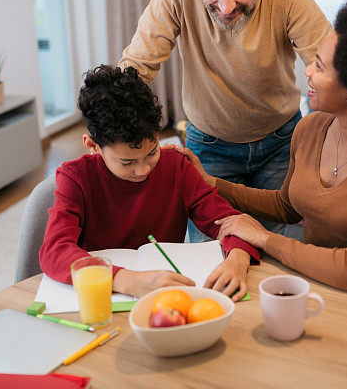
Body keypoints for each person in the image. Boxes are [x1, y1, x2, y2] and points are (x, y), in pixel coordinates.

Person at [171, 0, 347, 341]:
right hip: (318, 291)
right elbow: (287, 206)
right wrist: (210, 182)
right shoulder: (311, 128)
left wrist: (264, 237)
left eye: (320, 66)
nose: (307, 70)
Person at [119, 0, 332, 242]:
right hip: (209, 145)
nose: (225, 6)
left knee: (274, 251)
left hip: (281, 142)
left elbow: (328, 64)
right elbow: (138, 64)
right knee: (208, 253)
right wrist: (111, 123)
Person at [39, 65, 260, 300]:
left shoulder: (176, 166)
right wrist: (127, 280)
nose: (143, 170)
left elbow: (231, 222)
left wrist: (238, 258)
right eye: (127, 162)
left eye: (152, 152)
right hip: (103, 301)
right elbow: (55, 251)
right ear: (93, 146)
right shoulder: (76, 178)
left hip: (166, 301)